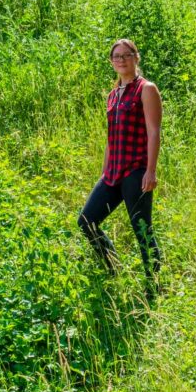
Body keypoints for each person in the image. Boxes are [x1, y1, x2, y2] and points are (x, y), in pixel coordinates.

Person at [77, 38, 162, 292]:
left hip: (136, 171)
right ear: (111, 62)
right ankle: (112, 269)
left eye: (126, 55)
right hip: (113, 172)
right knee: (86, 221)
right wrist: (104, 172)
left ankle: (154, 287)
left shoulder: (146, 89)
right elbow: (110, 137)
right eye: (116, 56)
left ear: (136, 58)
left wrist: (151, 170)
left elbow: (154, 131)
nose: (121, 60)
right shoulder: (113, 95)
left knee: (142, 230)